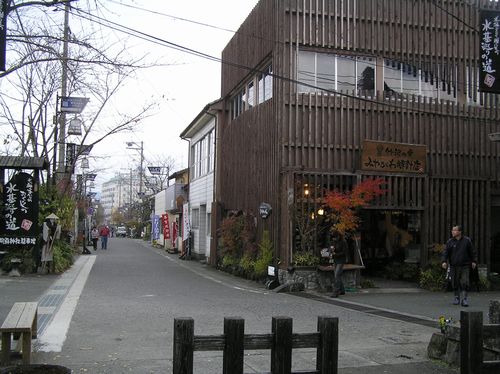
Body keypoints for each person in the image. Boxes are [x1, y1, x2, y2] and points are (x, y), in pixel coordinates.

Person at [441, 225, 478, 307]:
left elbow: (472, 252)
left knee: (465, 282)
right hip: (454, 265)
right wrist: (444, 261)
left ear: (459, 232)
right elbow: (445, 252)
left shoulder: (467, 241)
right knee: (455, 282)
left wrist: (474, 261)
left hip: (465, 265)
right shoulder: (450, 241)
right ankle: (456, 297)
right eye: (452, 230)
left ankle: (464, 299)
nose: (452, 232)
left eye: (454, 230)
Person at [330, 232, 348, 298]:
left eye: (335, 237)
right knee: (337, 275)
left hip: (341, 260)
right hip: (335, 260)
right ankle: (342, 290)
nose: (334, 239)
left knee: (337, 275)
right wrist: (331, 251)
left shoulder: (343, 242)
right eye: (333, 238)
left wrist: (336, 254)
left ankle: (336, 292)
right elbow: (332, 249)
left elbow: (344, 252)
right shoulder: (334, 242)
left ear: (338, 236)